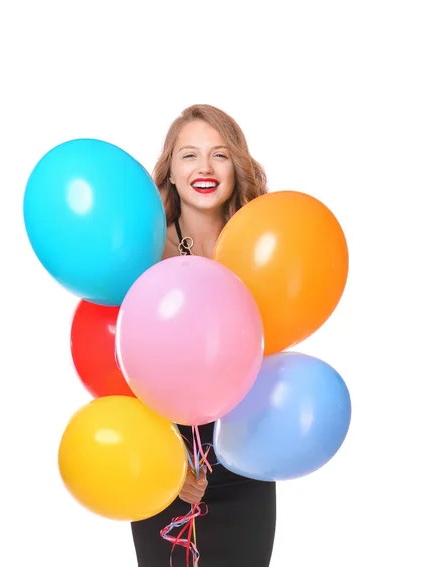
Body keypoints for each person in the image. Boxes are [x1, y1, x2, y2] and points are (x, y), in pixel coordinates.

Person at [130, 104, 277, 566]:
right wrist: (168, 466)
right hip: (161, 461)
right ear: (169, 172)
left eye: (220, 155)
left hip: (244, 456)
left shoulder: (264, 248)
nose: (205, 168)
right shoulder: (141, 252)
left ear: (237, 166)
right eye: (189, 155)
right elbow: (120, 366)